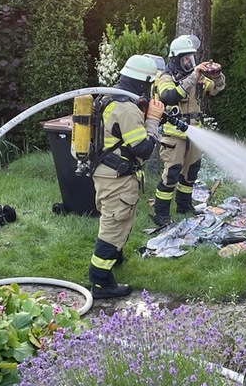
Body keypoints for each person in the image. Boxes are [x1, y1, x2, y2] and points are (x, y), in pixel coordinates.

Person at [89, 54, 164, 299]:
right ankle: (101, 281)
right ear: (143, 83)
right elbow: (142, 147)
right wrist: (153, 121)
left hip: (106, 173)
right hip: (117, 178)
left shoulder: (108, 98)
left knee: (114, 218)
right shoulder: (126, 108)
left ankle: (115, 258)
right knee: (114, 224)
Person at [151, 35, 226, 226]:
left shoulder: (197, 79)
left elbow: (217, 90)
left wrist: (217, 76)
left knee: (191, 171)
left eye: (191, 59)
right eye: (186, 59)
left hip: (195, 133)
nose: (190, 63)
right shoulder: (166, 77)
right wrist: (193, 76)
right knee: (172, 173)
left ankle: (184, 206)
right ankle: (161, 213)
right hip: (173, 135)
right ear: (175, 59)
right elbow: (169, 96)